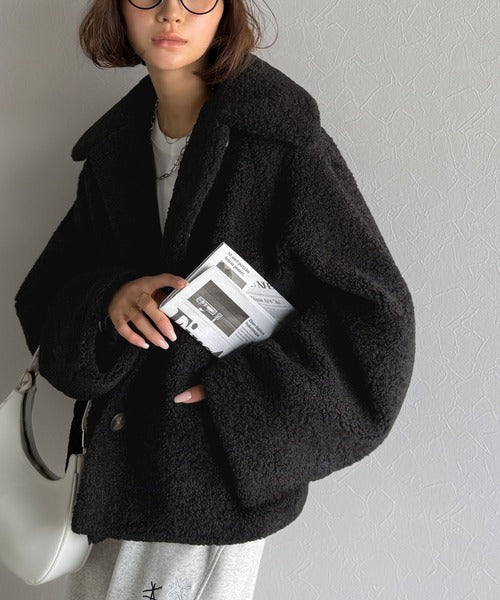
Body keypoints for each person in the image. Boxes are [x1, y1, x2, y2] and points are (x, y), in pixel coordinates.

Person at [13, 0, 416, 598]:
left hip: (206, 480)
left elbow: (376, 318)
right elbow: (46, 297)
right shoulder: (114, 150)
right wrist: (109, 300)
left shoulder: (281, 142)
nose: (171, 13)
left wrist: (242, 399)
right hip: (112, 480)